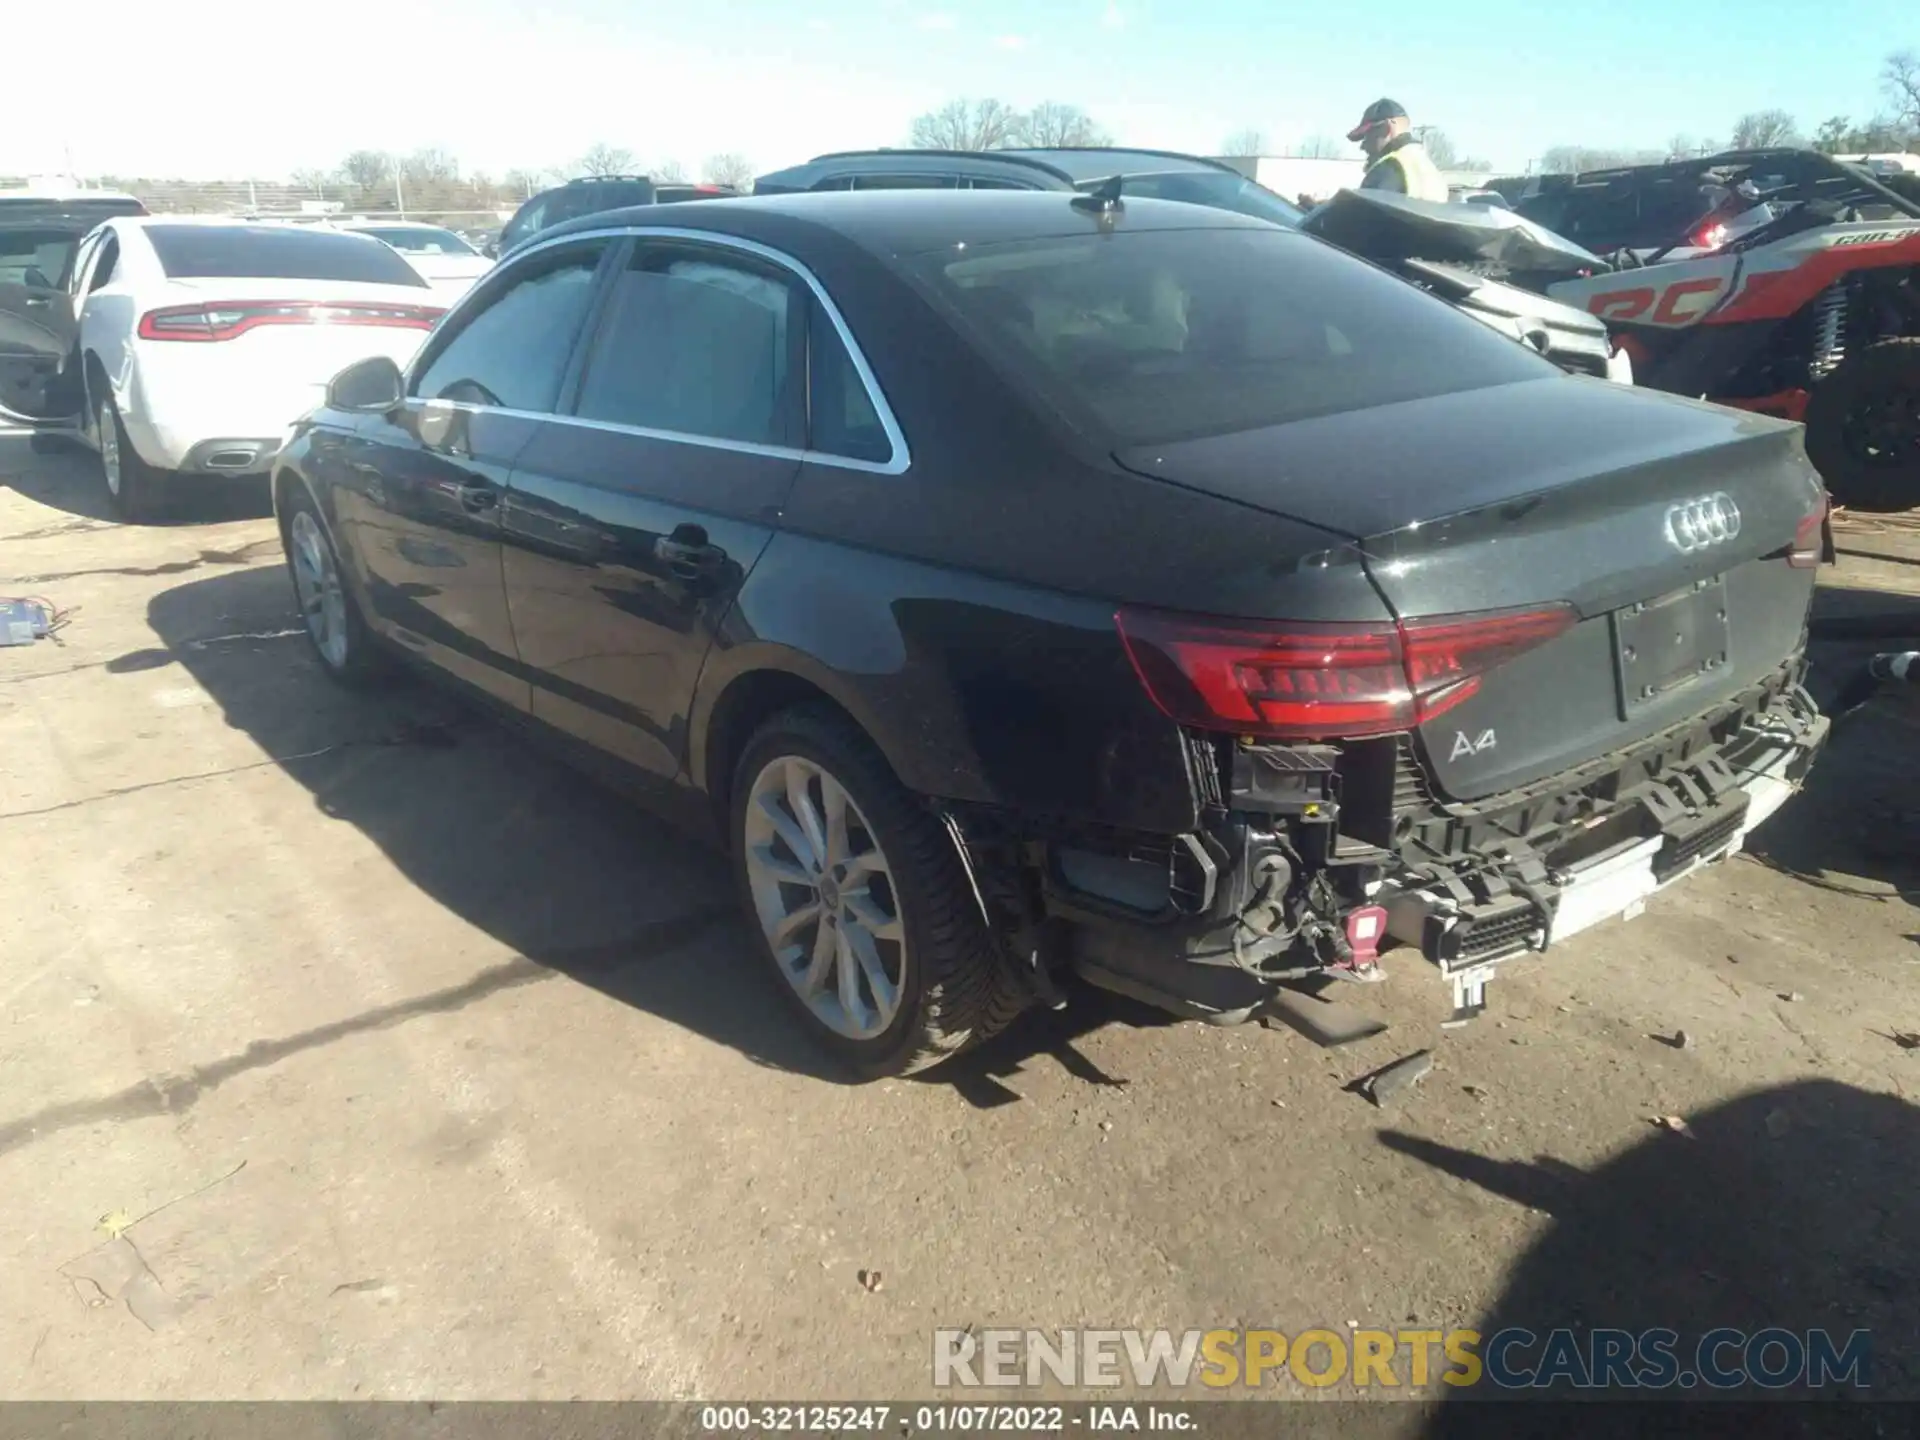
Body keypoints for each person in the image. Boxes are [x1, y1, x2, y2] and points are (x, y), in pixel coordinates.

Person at [1347, 98, 1448, 201]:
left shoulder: (1389, 168)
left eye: (1367, 136)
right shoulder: (1431, 171)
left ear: (1387, 127)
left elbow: (1363, 214)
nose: (1363, 146)